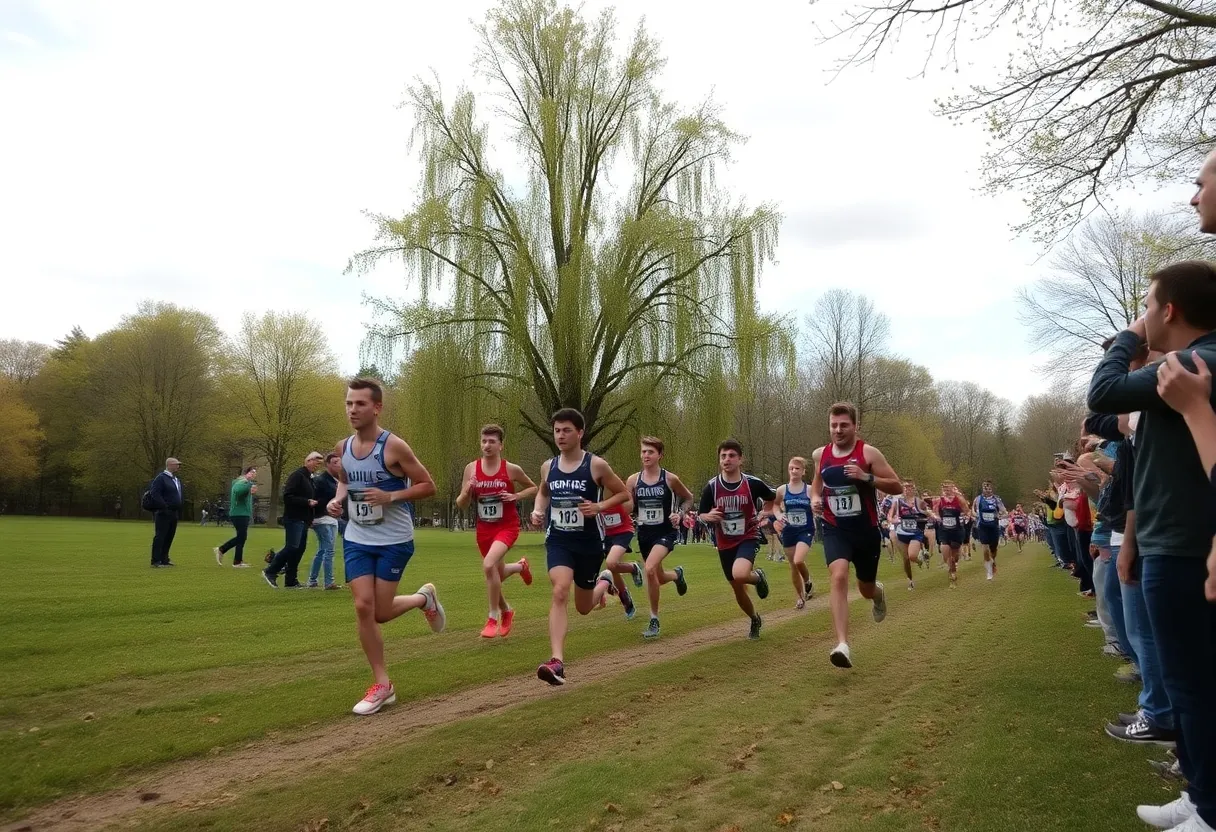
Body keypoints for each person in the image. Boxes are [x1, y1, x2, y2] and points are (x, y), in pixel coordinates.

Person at [1087, 254, 1216, 831]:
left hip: (1187, 546)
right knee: (1186, 682)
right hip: (1171, 541)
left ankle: (1209, 811)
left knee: (1192, 685)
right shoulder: (1186, 365)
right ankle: (1200, 796)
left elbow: (1104, 392)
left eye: (1146, 306)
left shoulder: (1191, 362)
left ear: (1169, 310)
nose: (1141, 317)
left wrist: (1127, 338)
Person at [325, 378, 445, 715]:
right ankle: (383, 684)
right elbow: (345, 483)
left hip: (394, 540)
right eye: (349, 403)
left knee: (380, 611)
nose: (352, 409)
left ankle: (424, 598)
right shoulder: (343, 448)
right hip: (357, 539)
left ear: (376, 407)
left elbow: (427, 486)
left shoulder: (393, 447)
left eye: (360, 404)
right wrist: (337, 502)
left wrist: (390, 495)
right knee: (364, 608)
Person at [529, 408, 630, 685]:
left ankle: (605, 580)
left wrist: (599, 506)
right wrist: (538, 510)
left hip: (588, 543)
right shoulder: (548, 466)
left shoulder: (596, 465)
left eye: (566, 430)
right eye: (557, 430)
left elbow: (623, 493)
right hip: (559, 540)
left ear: (580, 433)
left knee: (584, 606)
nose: (560, 436)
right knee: (560, 590)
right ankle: (557, 661)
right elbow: (543, 491)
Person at [810, 402, 901, 668]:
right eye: (833, 425)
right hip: (835, 528)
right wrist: (815, 498)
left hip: (865, 532)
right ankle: (842, 645)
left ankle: (877, 594)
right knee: (838, 576)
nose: (838, 430)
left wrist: (866, 477)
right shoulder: (821, 455)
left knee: (865, 588)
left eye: (844, 425)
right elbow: (817, 483)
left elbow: (895, 485)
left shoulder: (868, 453)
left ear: (855, 426)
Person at [455, 425, 538, 637]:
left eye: (492, 441)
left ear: (501, 445)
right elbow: (461, 504)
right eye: (484, 441)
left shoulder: (511, 469)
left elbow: (533, 488)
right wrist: (467, 490)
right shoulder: (471, 469)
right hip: (484, 529)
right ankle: (518, 573)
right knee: (495, 573)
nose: (487, 445)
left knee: (488, 565)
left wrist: (516, 496)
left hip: (507, 526)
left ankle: (493, 617)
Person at [698, 439, 775, 639]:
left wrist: (764, 513)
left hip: (747, 536)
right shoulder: (712, 487)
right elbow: (701, 514)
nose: (727, 459)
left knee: (740, 574)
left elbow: (773, 497)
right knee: (737, 588)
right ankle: (754, 618)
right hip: (724, 543)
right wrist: (709, 516)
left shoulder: (752, 483)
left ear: (741, 459)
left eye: (732, 455)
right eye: (723, 456)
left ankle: (757, 576)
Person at [625, 437, 694, 638]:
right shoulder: (633, 480)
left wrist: (679, 514)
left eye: (650, 452)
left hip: (665, 532)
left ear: (660, 455)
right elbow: (628, 505)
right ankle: (677, 575)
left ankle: (654, 619)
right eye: (643, 451)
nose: (646, 455)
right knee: (658, 576)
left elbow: (688, 498)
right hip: (645, 534)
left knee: (649, 569)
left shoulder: (670, 479)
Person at [263, 452, 323, 589]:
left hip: (304, 519)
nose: (317, 466)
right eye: (315, 462)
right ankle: (271, 570)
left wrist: (310, 517)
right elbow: (288, 496)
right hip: (293, 517)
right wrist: (306, 501)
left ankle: (291, 580)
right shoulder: (297, 476)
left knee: (299, 549)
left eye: (319, 464)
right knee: (292, 546)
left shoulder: (309, 478)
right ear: (307, 461)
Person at [775, 456, 816, 609]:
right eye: (791, 468)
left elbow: (818, 503)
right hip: (789, 531)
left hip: (805, 530)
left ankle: (807, 582)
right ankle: (799, 597)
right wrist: (779, 515)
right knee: (793, 565)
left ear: (803, 471)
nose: (793, 471)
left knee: (798, 560)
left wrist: (816, 506)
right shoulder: (782, 490)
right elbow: (775, 506)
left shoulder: (810, 490)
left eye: (797, 468)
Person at [308, 453, 342, 589]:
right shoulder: (320, 480)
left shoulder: (336, 481)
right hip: (321, 519)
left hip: (331, 519)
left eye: (339, 462)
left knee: (323, 550)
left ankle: (313, 580)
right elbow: (314, 500)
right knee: (329, 550)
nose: (338, 465)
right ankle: (328, 582)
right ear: (327, 464)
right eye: (335, 462)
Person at [887, 480, 927, 591]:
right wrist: (892, 520)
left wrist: (926, 515)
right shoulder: (898, 502)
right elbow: (890, 515)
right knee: (905, 559)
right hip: (901, 533)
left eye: (909, 487)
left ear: (913, 489)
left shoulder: (918, 501)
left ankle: (919, 560)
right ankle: (910, 580)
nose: (907, 489)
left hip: (915, 533)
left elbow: (927, 511)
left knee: (912, 556)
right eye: (905, 487)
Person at [214, 466, 257, 567]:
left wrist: (250, 489)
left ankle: (237, 561)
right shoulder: (242, 482)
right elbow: (238, 492)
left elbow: (242, 494)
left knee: (241, 537)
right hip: (239, 514)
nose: (254, 474)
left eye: (255, 473)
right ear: (246, 473)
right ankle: (221, 549)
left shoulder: (245, 483)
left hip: (243, 514)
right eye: (252, 472)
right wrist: (249, 485)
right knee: (242, 537)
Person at [148, 457, 183, 568]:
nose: (178, 466)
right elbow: (155, 493)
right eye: (176, 464)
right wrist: (164, 506)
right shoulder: (161, 478)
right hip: (164, 512)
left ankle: (164, 558)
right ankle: (156, 560)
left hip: (174, 512)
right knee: (160, 536)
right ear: (169, 465)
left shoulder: (175, 479)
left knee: (169, 536)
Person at [934, 481, 970, 587]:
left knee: (954, 557)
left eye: (948, 488)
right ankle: (951, 572)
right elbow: (935, 512)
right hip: (944, 530)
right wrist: (937, 517)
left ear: (953, 488)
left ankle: (953, 570)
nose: (946, 490)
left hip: (957, 530)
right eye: (944, 488)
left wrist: (966, 516)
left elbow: (967, 511)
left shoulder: (958, 499)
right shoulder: (939, 500)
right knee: (945, 553)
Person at [972, 481, 1007, 581]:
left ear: (992, 489)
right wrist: (976, 515)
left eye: (989, 488)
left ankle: (993, 561)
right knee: (985, 549)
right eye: (985, 488)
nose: (987, 490)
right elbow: (973, 511)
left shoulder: (996, 499)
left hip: (994, 527)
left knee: (993, 550)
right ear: (982, 489)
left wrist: (1001, 515)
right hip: (982, 526)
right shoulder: (978, 499)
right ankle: (989, 571)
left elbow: (1004, 511)